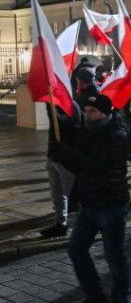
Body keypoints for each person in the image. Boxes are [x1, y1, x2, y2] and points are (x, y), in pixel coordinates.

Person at [49, 95, 131, 303]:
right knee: (76, 249)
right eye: (86, 110)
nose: (88, 115)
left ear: (105, 114)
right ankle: (95, 295)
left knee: (114, 256)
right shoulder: (87, 130)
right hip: (90, 203)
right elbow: (74, 143)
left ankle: (120, 302)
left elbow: (92, 165)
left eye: (93, 112)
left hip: (111, 204)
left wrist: (64, 154)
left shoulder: (116, 135)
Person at [40, 98, 82, 238]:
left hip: (66, 160)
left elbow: (62, 123)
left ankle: (89, 225)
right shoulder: (55, 103)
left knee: (73, 195)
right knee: (57, 195)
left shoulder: (71, 106)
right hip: (53, 156)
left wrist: (50, 105)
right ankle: (60, 224)